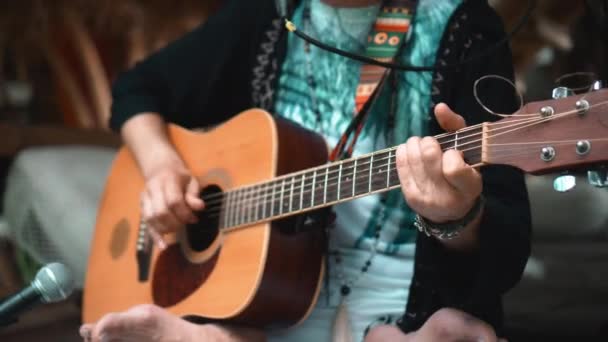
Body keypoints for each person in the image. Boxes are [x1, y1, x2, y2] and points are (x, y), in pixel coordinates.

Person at [80, 0, 531, 341]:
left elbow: (508, 249)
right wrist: (161, 165)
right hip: (274, 306)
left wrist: (459, 217)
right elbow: (137, 90)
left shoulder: (463, 25)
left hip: (405, 304)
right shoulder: (272, 15)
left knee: (448, 330)